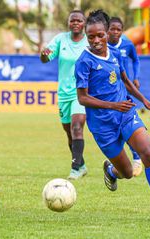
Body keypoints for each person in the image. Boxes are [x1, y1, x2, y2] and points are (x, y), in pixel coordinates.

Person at [75, 10, 150, 222]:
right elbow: (82, 98)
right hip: (102, 126)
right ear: (86, 35)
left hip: (126, 113)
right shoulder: (84, 62)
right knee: (127, 173)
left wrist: (143, 100)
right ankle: (111, 171)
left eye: (100, 34)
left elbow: (125, 80)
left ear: (107, 32)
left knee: (147, 153)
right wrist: (113, 105)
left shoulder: (116, 53)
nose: (96, 40)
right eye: (91, 36)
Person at [40, 10, 88, 180]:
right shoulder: (61, 39)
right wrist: (44, 55)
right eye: (72, 20)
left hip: (81, 93)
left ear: (84, 23)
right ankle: (81, 164)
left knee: (77, 128)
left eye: (79, 20)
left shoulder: (89, 41)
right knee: (69, 133)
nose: (75, 23)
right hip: (64, 94)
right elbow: (46, 57)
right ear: (69, 23)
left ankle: (75, 168)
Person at [107, 17, 143, 177]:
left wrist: (136, 77)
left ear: (122, 31)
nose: (115, 32)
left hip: (125, 89)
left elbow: (135, 60)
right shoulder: (102, 46)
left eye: (118, 29)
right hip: (108, 92)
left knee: (126, 122)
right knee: (114, 126)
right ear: (107, 30)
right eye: (112, 29)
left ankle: (136, 158)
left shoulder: (127, 44)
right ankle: (119, 161)